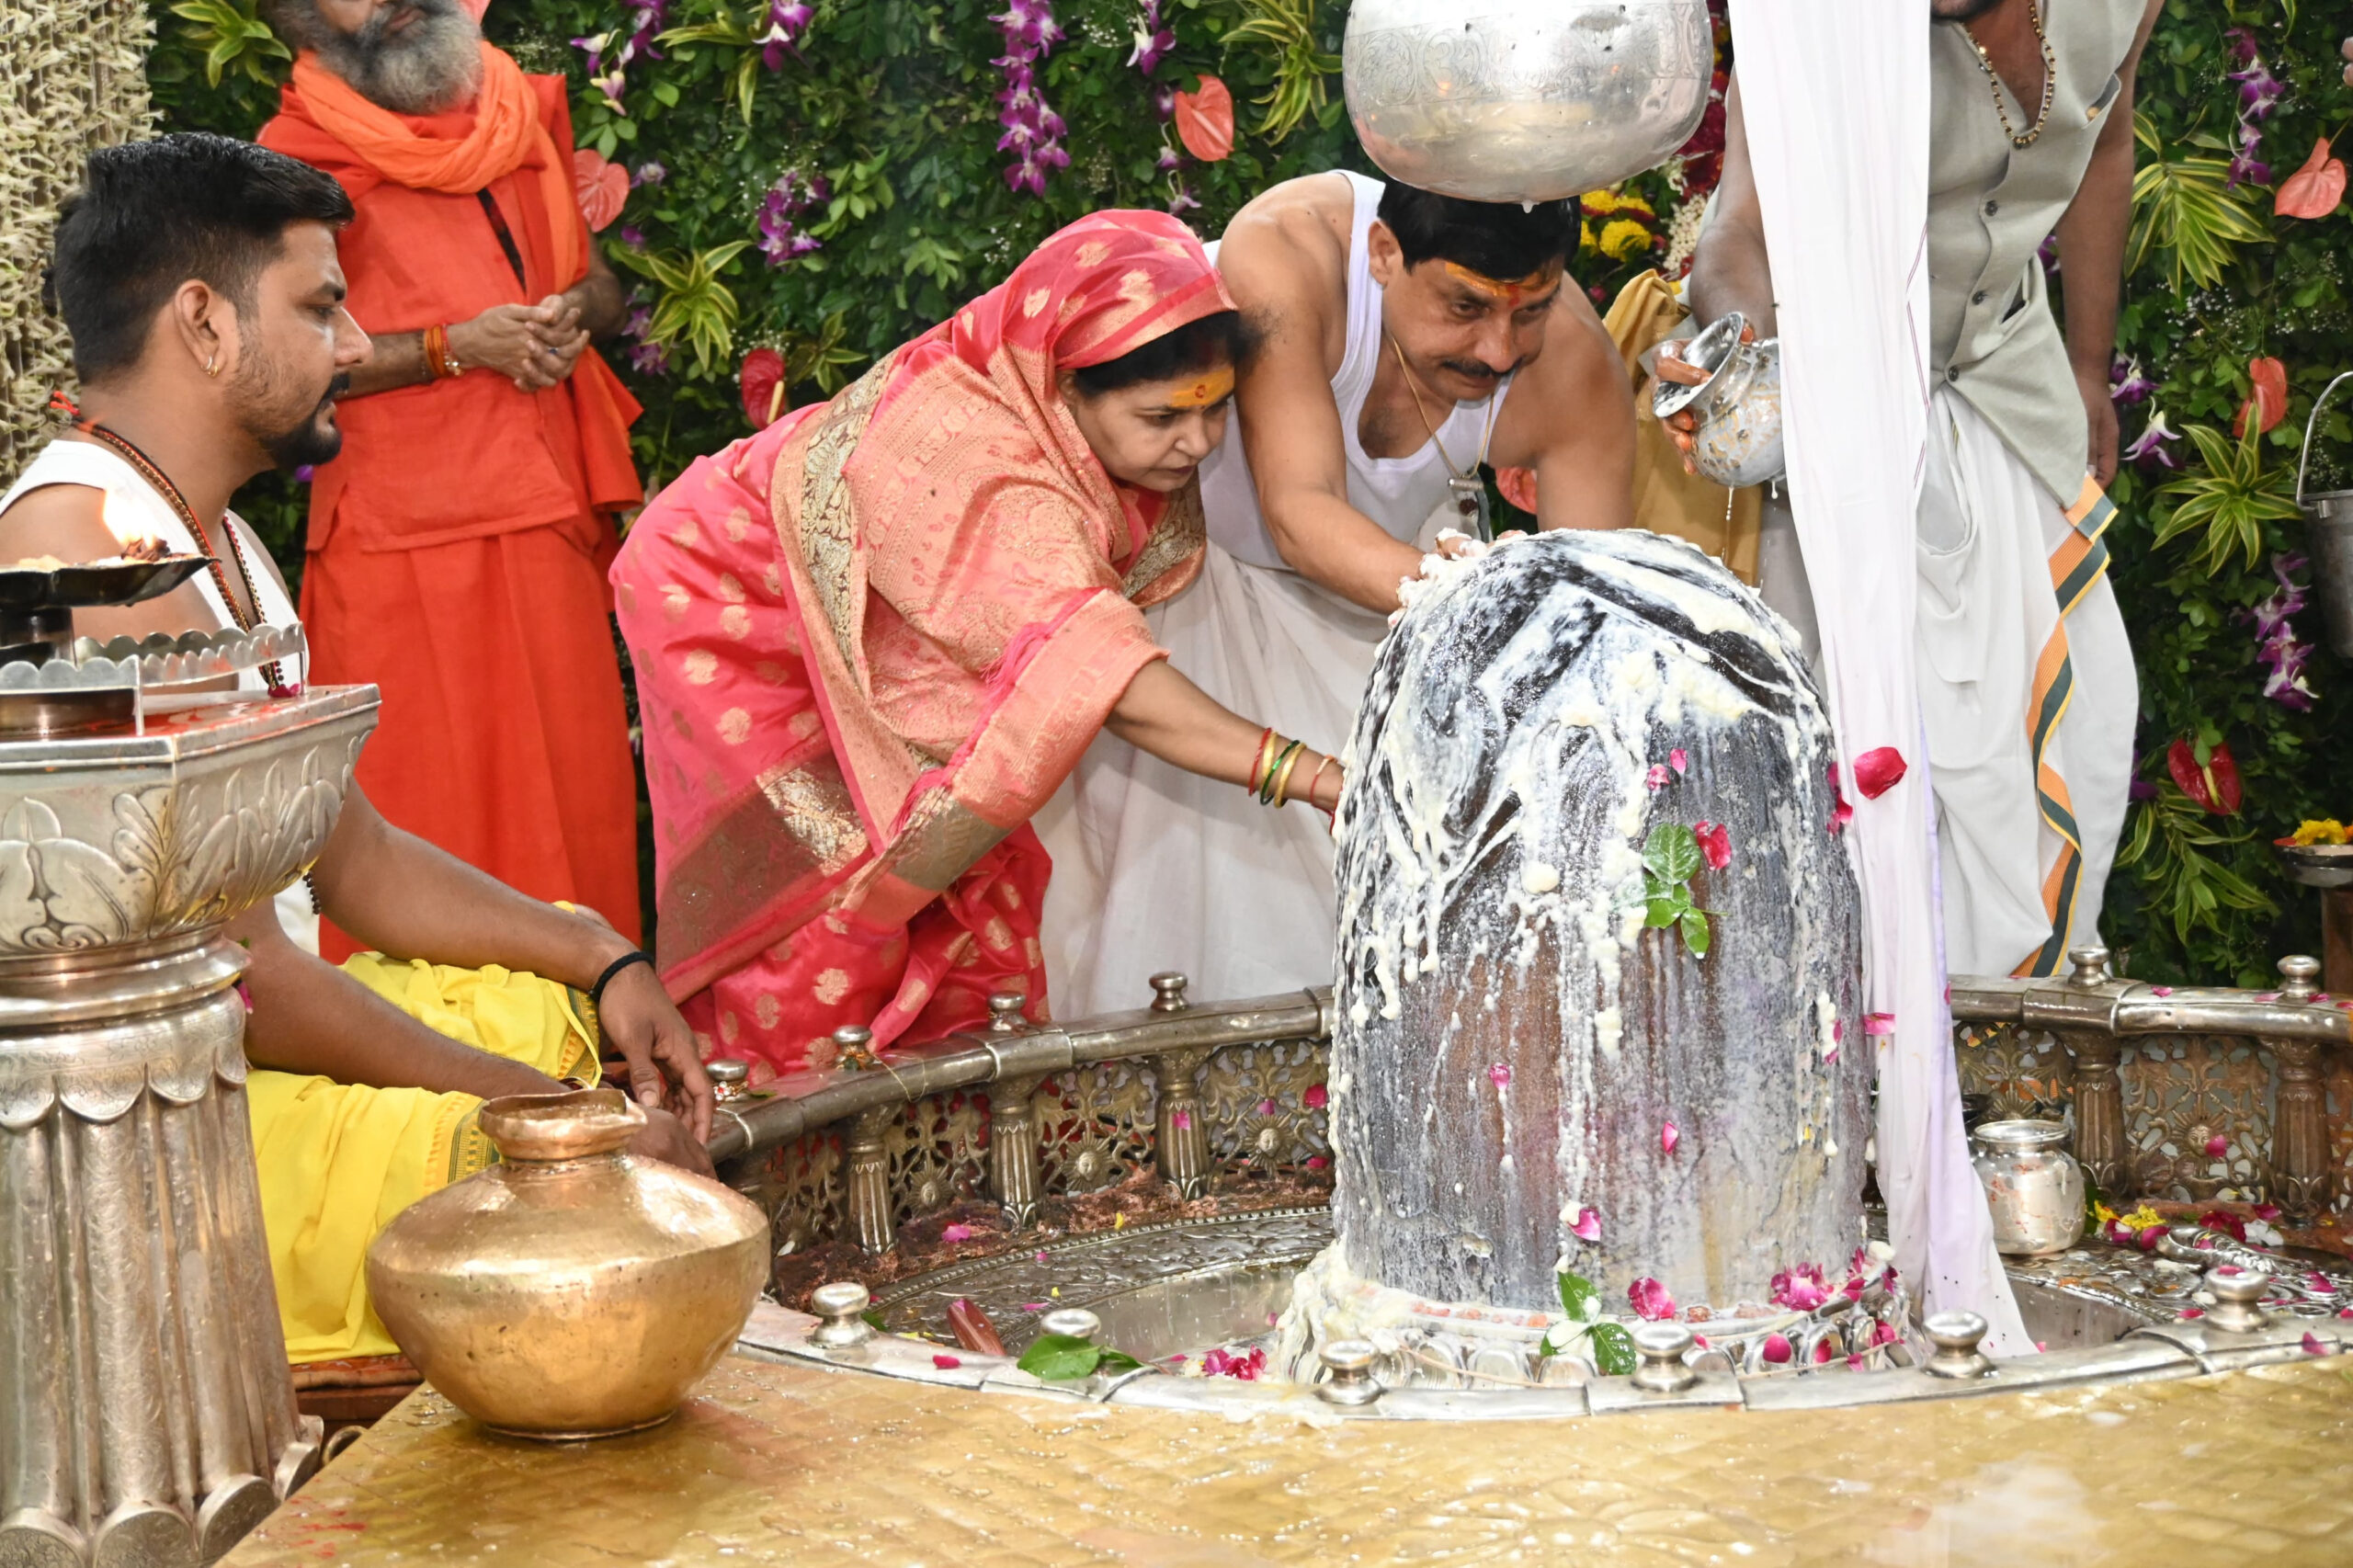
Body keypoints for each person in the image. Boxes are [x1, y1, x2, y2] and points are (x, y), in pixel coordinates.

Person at [2, 133, 711, 1367]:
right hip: (131, 1132)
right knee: (547, 1190)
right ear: (205, 324)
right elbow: (235, 971)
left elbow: (357, 859)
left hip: (231, 1043)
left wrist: (605, 956)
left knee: (544, 1005)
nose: (350, 345)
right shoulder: (84, 557)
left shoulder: (209, 535)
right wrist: (544, 1115)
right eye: (322, 304)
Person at [616, 211, 1344, 1075]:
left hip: (861, 598)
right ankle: (780, 1120)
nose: (1198, 443)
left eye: (1215, 411)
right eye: (1161, 419)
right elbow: (1100, 680)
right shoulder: (985, 475)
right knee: (822, 898)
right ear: (1062, 389)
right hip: (733, 600)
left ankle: (950, 1125)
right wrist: (1322, 780)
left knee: (967, 853)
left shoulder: (1053, 416)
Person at [1040, 176, 1636, 1017]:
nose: (1500, 350)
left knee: (1398, 916)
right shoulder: (1285, 249)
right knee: (1179, 910)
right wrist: (1487, 601)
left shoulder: (1571, 365)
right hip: (1187, 586)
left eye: (1529, 312)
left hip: (1385, 608)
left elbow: (1595, 619)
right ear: (1385, 254)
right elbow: (1298, 514)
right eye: (1465, 307)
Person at [1670, 0, 2161, 980]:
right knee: (1902, 770)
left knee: (2090, 722)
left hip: (2008, 392)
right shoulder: (1816, 18)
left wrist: (2087, 360)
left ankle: (2018, 1043)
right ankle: (1922, 1076)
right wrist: (1742, 357)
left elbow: (2105, 147)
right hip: (1855, 433)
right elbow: (1739, 232)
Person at [254, 0, 642, 958]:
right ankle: (430, 1088)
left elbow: (600, 283)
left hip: (543, 511)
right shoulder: (292, 151)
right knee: (425, 815)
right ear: (305, 23)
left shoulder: (513, 109)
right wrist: (452, 347)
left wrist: (566, 313)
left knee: (578, 806)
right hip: (399, 539)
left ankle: (598, 1065)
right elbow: (284, 358)